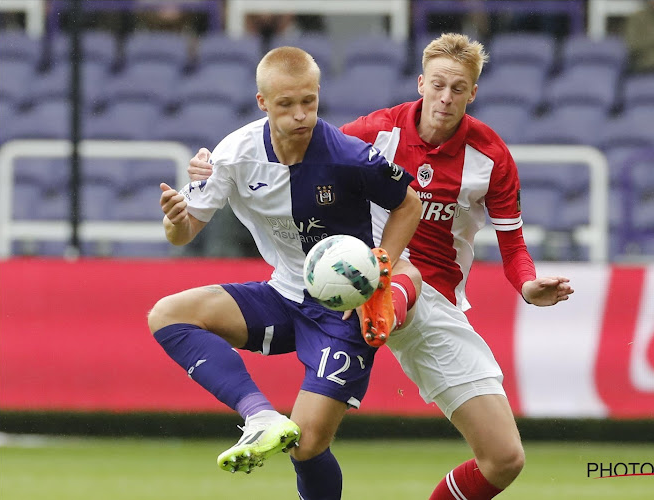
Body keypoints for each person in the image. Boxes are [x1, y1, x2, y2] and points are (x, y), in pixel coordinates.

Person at [188, 33, 574, 499]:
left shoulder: (490, 157)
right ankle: (381, 302)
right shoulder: (375, 132)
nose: (445, 97)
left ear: (472, 93)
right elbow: (298, 138)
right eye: (437, 85)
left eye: (457, 88)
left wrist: (528, 284)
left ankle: (387, 303)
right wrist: (216, 168)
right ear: (421, 84)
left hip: (434, 300)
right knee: (308, 441)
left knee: (504, 459)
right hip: (358, 276)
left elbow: (513, 245)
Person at [149, 46, 421, 500]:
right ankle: (259, 415)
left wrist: (379, 270)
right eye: (286, 104)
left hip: (342, 311)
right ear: (262, 102)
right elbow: (182, 234)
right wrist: (176, 219)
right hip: (282, 295)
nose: (301, 115)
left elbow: (408, 203)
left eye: (309, 102)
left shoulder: (351, 156)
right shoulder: (234, 154)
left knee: (308, 446)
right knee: (167, 314)